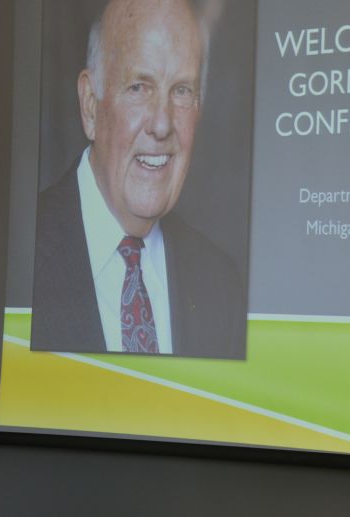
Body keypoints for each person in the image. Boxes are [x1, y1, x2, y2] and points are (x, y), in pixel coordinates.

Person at [30, 0, 246, 358]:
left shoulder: (220, 284)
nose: (161, 124)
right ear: (90, 105)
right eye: (139, 88)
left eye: (181, 91)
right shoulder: (16, 255)